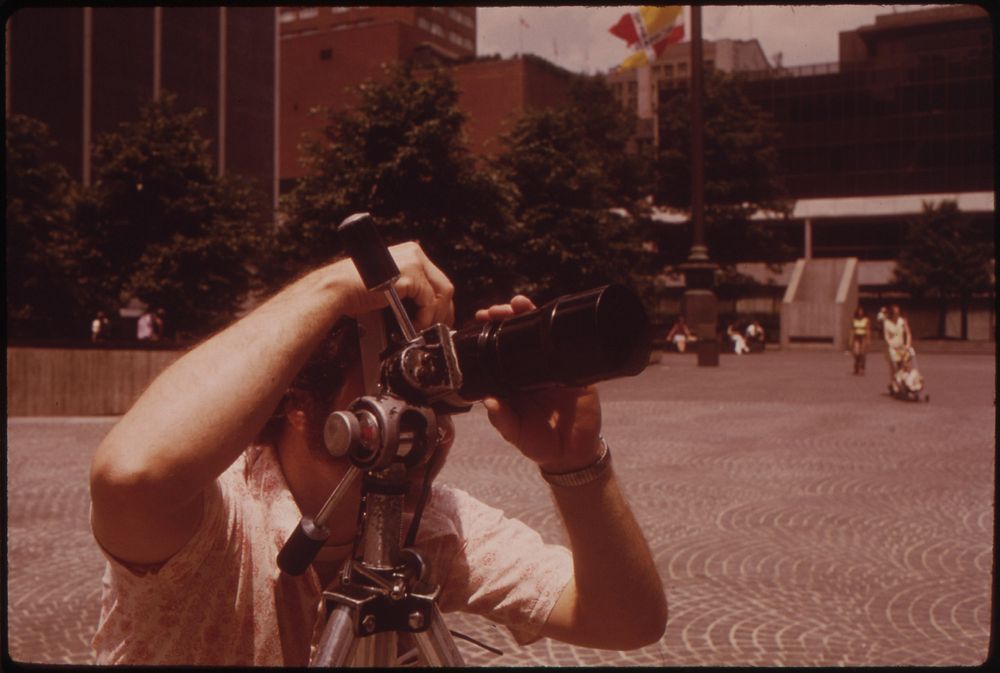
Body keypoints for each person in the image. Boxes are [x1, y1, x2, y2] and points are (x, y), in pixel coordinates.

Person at [89, 242, 667, 665]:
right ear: (296, 403)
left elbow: (627, 619)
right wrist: (334, 288)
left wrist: (574, 463)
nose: (426, 424)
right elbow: (129, 475)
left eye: (431, 399)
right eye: (390, 387)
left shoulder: (436, 529)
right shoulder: (219, 521)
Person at [882, 304, 911, 387]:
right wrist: (891, 345)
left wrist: (908, 344)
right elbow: (886, 336)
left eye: (897, 313)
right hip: (891, 348)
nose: (896, 315)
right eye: (894, 313)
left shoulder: (902, 321)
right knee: (894, 366)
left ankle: (904, 383)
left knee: (904, 366)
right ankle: (894, 383)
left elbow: (908, 334)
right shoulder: (887, 322)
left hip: (901, 347)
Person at [848, 306, 871, 375]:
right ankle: (856, 366)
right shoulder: (854, 320)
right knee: (856, 353)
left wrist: (868, 339)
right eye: (859, 311)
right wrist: (850, 340)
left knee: (862, 353)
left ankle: (862, 368)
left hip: (863, 337)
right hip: (856, 337)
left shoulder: (866, 320)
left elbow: (868, 330)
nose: (860, 313)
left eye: (861, 311)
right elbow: (852, 331)